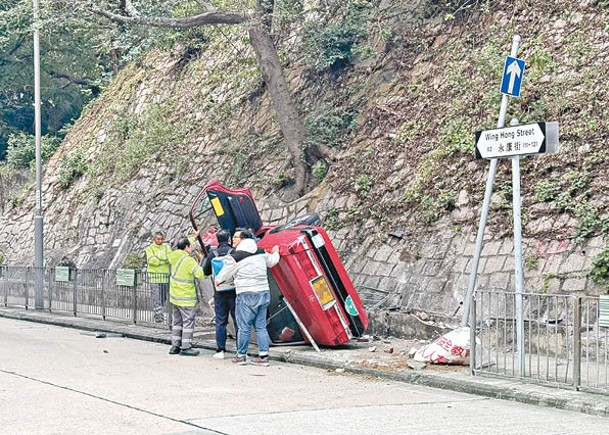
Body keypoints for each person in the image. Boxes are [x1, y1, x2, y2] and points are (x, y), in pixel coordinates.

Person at [215, 229, 280, 366]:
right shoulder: (261, 252)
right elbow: (273, 261)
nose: (233, 240)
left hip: (246, 293)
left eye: (236, 237)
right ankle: (264, 357)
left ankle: (241, 356)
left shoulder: (235, 256)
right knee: (261, 326)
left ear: (243, 239)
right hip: (263, 291)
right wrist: (276, 251)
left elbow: (225, 273)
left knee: (244, 326)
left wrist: (218, 280)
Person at [202, 229, 237, 359]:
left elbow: (205, 272)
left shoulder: (212, 254)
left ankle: (220, 350)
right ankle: (240, 349)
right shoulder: (234, 252)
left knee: (221, 321)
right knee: (238, 320)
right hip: (234, 291)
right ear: (229, 240)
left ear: (217, 240)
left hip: (219, 292)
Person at [167, 237, 205, 356]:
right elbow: (201, 274)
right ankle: (186, 347)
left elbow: (183, 243)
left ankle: (175, 346)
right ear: (187, 247)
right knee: (188, 322)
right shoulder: (188, 261)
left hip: (174, 296)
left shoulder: (173, 256)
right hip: (186, 297)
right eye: (190, 246)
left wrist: (193, 236)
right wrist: (204, 262)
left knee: (177, 322)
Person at [144, 231, 172, 323]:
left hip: (165, 277)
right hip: (154, 277)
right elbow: (152, 261)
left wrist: (159, 259)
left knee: (163, 297)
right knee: (156, 298)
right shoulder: (149, 248)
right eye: (158, 239)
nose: (160, 241)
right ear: (154, 239)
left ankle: (159, 312)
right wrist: (164, 260)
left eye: (161, 239)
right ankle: (158, 316)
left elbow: (170, 258)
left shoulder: (167, 247)